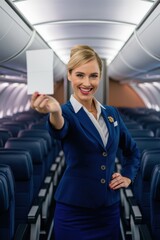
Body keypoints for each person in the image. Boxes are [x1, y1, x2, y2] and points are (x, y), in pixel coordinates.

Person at [30, 45, 140, 240]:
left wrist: (128, 177)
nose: (87, 83)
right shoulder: (65, 113)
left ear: (99, 77)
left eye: (93, 76)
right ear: (70, 75)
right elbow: (59, 129)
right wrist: (55, 112)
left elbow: (132, 152)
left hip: (109, 210)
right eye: (80, 75)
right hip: (74, 212)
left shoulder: (111, 113)